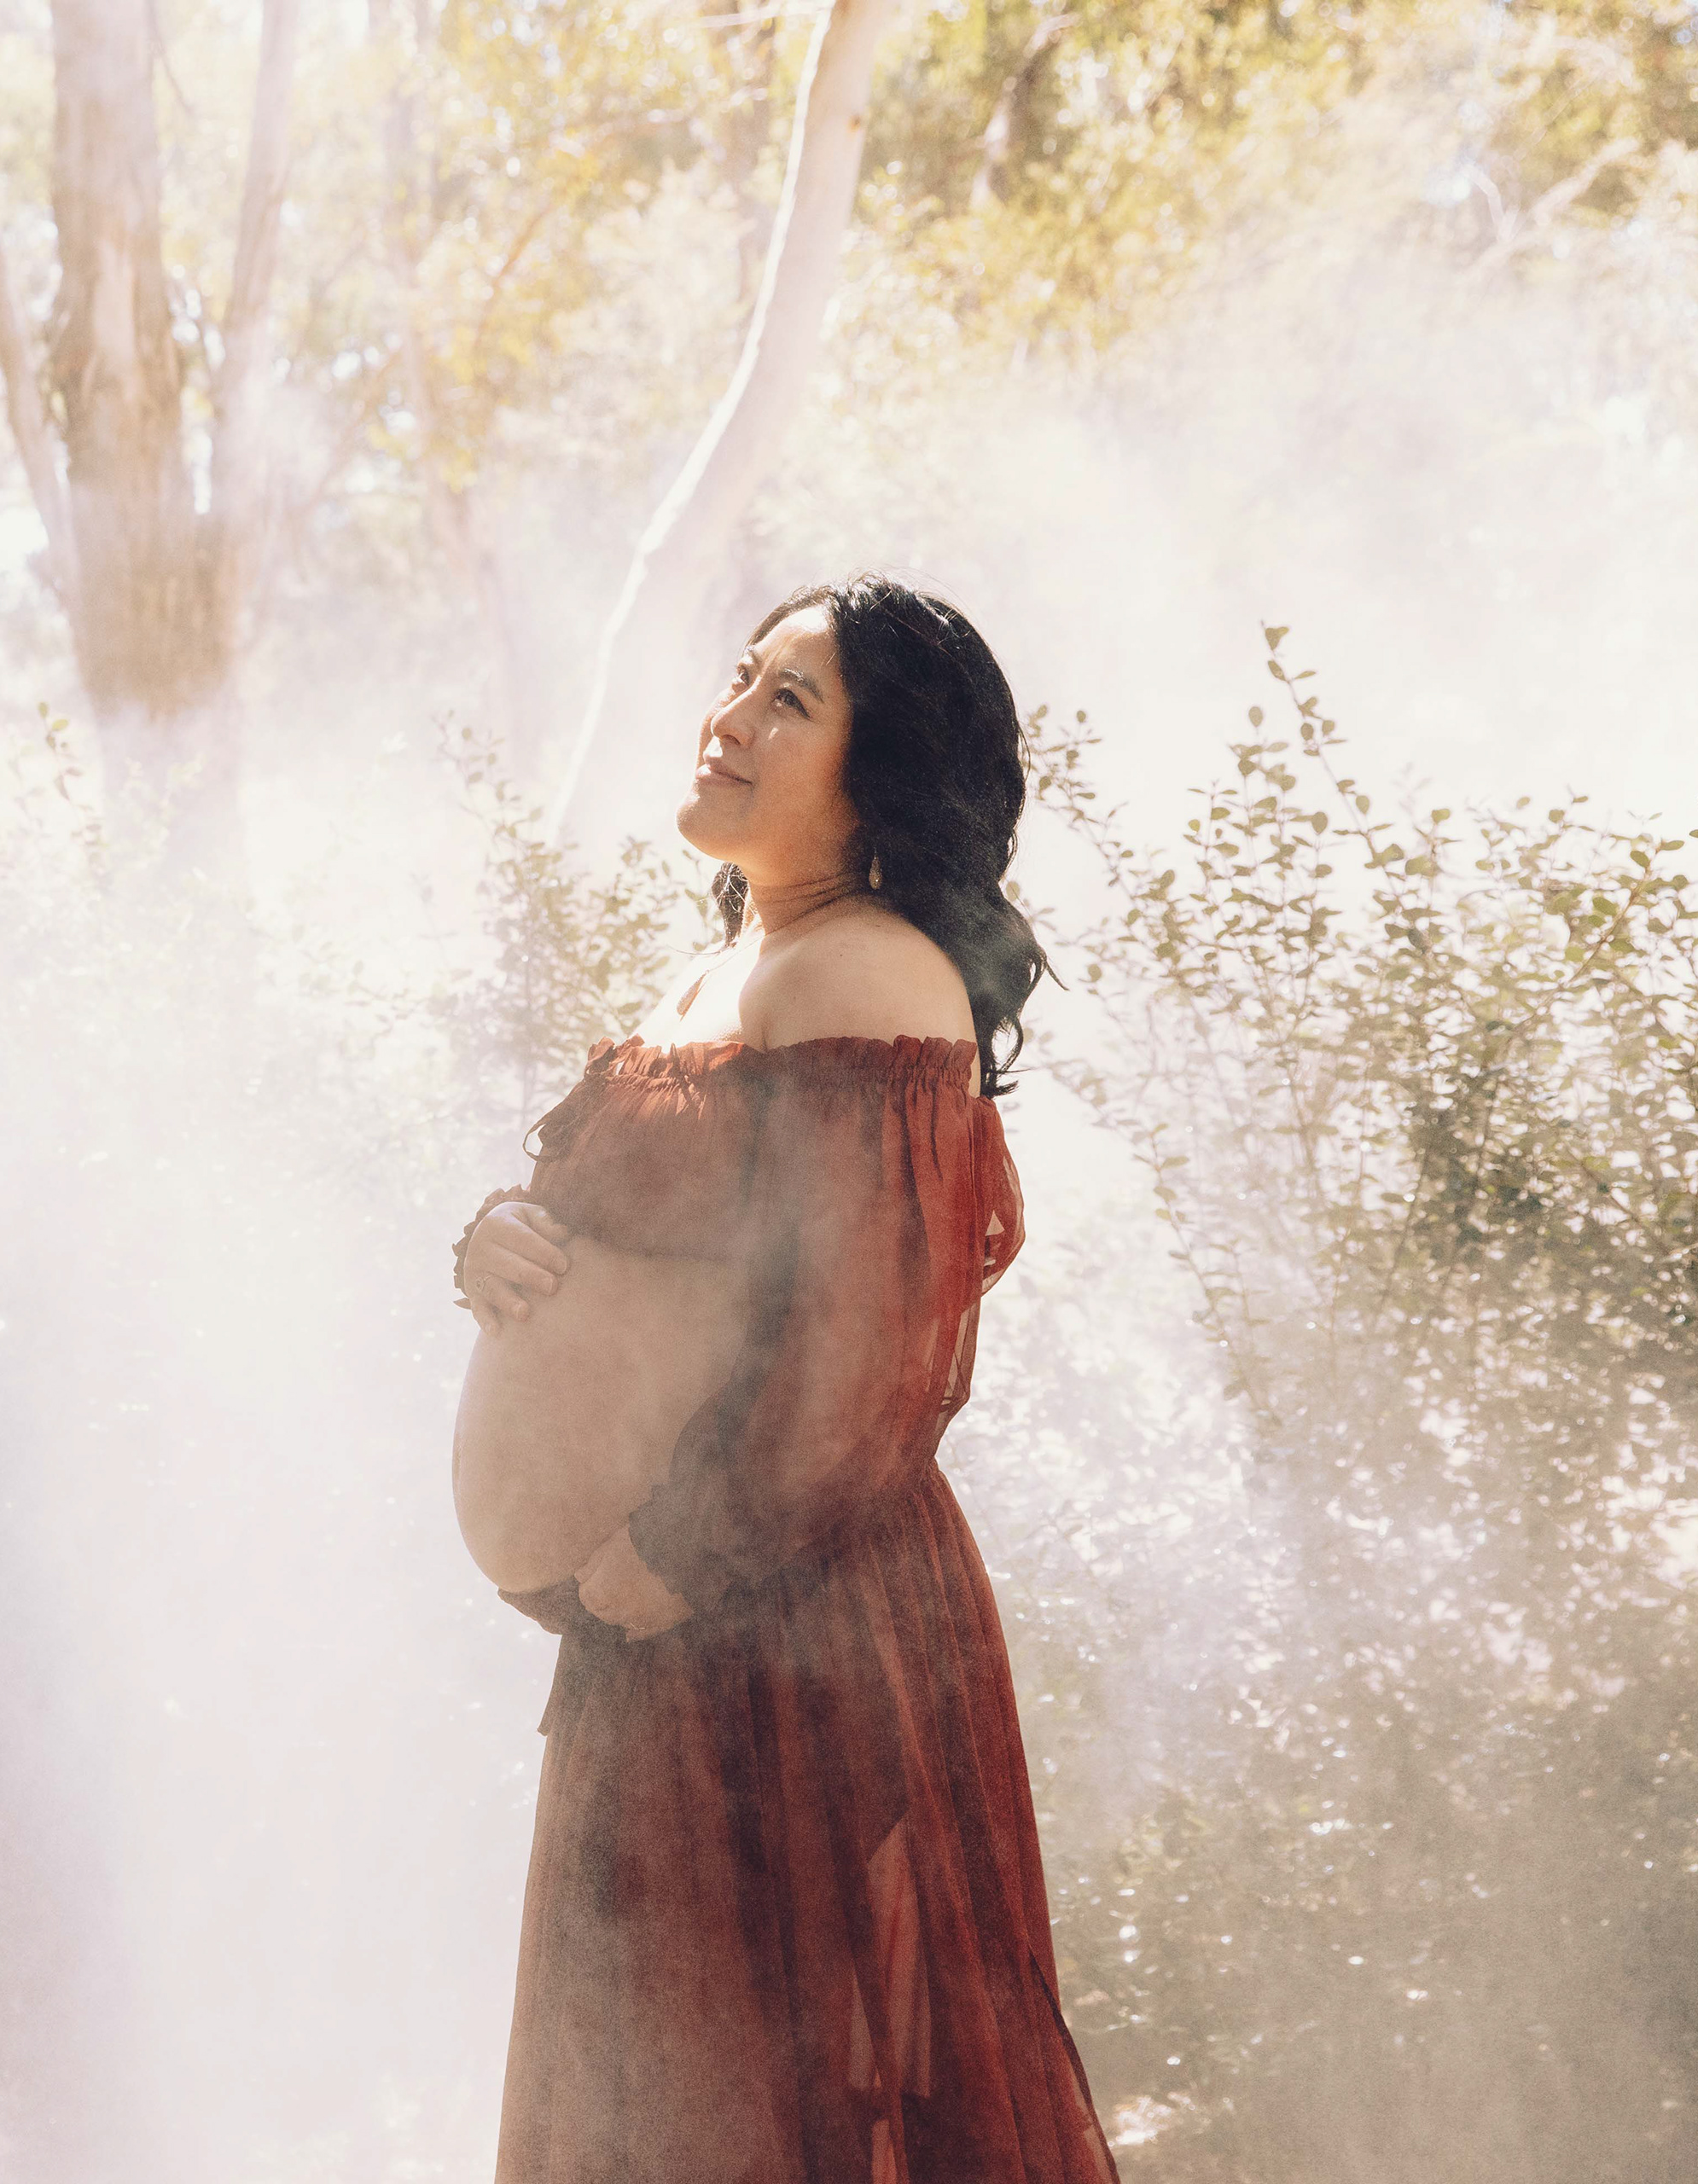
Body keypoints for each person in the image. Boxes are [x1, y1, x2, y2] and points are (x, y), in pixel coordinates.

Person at [451, 577, 1120, 2184]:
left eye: (790, 703)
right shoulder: (721, 979)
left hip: (787, 1624)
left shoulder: (867, 976)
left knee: (793, 2099)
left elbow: (877, 1351)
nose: (729, 720)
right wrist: (494, 1245)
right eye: (739, 679)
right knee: (664, 2095)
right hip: (658, 1627)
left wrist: (675, 1559)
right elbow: (626, 1248)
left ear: (880, 775)